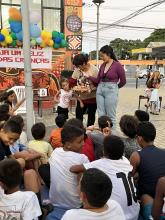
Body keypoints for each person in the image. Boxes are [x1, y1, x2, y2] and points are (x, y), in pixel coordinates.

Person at [70, 135, 140, 220]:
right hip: (134, 213)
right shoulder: (125, 160)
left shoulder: (102, 163)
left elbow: (73, 169)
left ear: (104, 151)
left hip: (119, 216)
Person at [46, 125, 89, 220]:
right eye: (80, 142)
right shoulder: (82, 159)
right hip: (75, 204)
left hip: (54, 201)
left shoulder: (55, 152)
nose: (83, 144)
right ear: (68, 144)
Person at [130, 122, 165, 219]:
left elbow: (128, 178)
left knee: (144, 198)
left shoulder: (136, 155)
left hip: (149, 200)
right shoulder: (163, 151)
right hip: (162, 197)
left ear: (140, 138)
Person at [87, 45, 126, 129]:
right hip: (100, 90)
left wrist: (114, 88)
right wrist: (88, 76)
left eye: (102, 55)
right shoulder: (102, 65)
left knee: (111, 115)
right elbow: (97, 80)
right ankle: (102, 134)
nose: (101, 58)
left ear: (108, 54)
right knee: (101, 115)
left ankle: (112, 135)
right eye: (100, 56)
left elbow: (123, 81)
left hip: (111, 90)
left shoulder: (117, 65)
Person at [70, 53, 99, 126]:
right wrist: (74, 88)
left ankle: (89, 133)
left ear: (83, 63)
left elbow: (99, 85)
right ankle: (79, 132)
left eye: (79, 66)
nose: (78, 68)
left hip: (92, 98)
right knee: (78, 117)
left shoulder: (94, 70)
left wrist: (91, 89)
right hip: (81, 99)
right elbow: (72, 82)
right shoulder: (77, 70)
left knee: (91, 118)